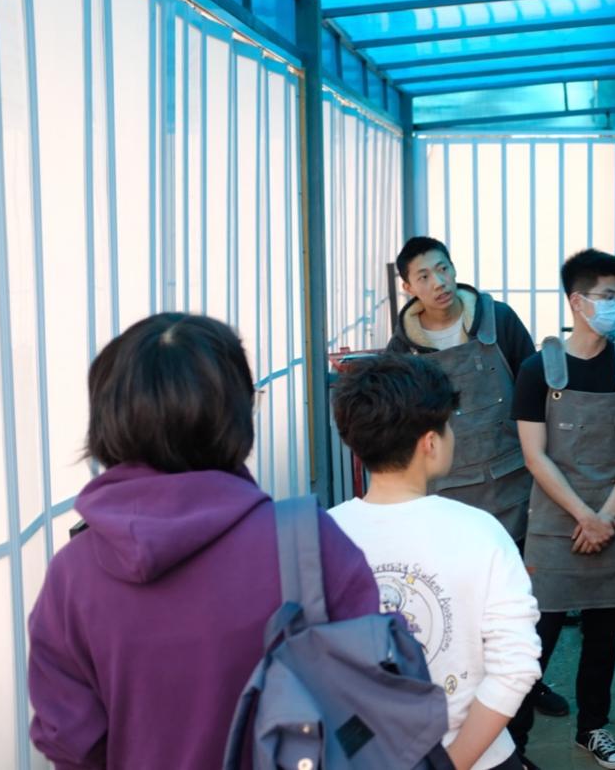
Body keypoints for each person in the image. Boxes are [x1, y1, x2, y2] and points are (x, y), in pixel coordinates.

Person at [27, 313, 379, 769]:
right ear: (237, 413)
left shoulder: (72, 575)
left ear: (107, 419)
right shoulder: (306, 542)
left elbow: (67, 740)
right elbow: (376, 696)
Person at [329, 353, 542, 770]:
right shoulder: (481, 532)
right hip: (480, 760)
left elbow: (317, 669)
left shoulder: (322, 536)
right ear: (430, 443)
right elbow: (515, 666)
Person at [389, 236, 568, 719]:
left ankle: (529, 683)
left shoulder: (498, 320)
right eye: (424, 276)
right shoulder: (403, 347)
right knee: (465, 603)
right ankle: (476, 695)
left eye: (443, 269)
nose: (439, 282)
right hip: (449, 496)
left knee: (525, 599)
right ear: (409, 287)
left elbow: (535, 388)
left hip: (516, 483)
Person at [509, 249, 615, 769]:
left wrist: (606, 517)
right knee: (536, 640)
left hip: (612, 523)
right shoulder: (537, 370)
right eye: (608, 296)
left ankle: (592, 727)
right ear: (577, 301)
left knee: (602, 635)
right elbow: (534, 455)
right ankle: (513, 745)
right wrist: (584, 516)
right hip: (555, 528)